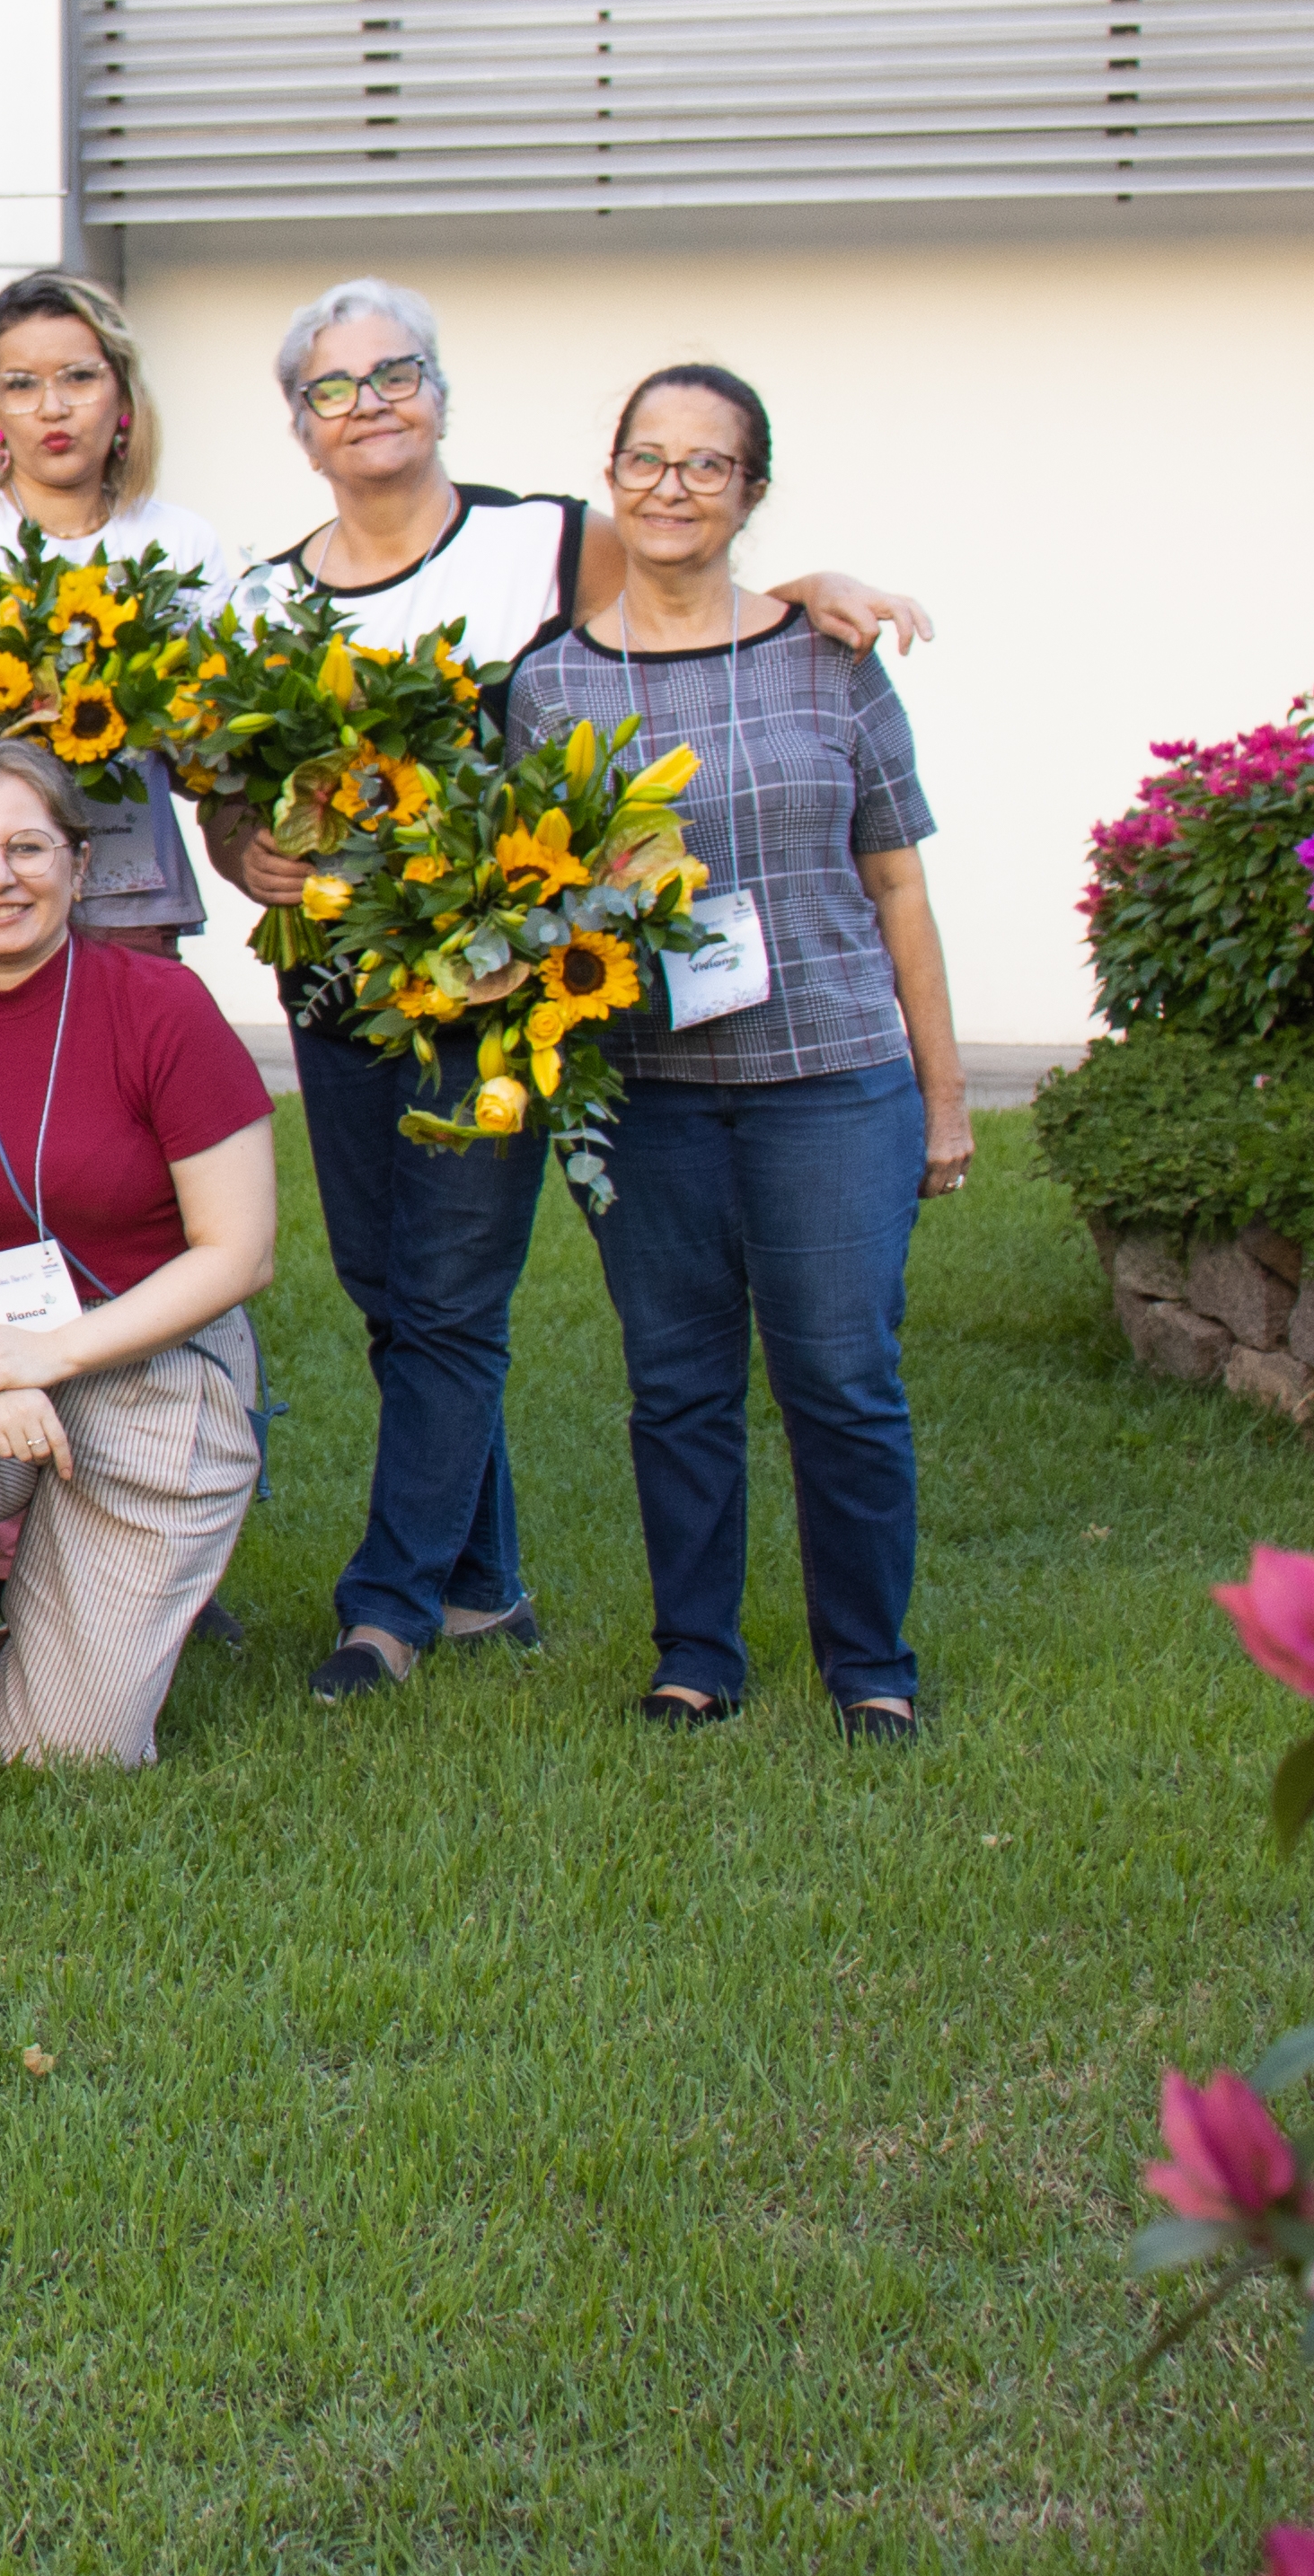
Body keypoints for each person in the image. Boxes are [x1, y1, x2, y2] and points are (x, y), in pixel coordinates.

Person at [198, 280, 932, 1710]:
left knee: (454, 1292)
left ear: (441, 394)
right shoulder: (262, 598)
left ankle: (389, 1608)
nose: (372, 404)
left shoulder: (545, 540)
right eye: (336, 388)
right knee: (388, 1294)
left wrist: (814, 589)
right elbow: (231, 802)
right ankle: (485, 1583)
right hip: (350, 991)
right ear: (300, 428)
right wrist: (248, 856)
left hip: (505, 1004)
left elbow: (691, 593)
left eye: (397, 373)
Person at [507, 365, 966, 1742]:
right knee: (679, 1386)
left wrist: (945, 1102)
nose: (673, 487)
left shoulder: (831, 658)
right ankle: (696, 1653)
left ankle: (870, 1662)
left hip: (832, 1084)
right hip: (648, 1101)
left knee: (839, 1376)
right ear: (611, 475)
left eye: (708, 466)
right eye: (649, 460)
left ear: (751, 492)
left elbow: (900, 890)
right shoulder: (553, 682)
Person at [0, 737, 282, 1784]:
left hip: (151, 1348)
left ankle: (45, 1613)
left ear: (81, 865)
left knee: (67, 1753)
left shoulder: (164, 1009)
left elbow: (240, 1251)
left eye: (28, 848)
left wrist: (55, 1357)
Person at [0, 274, 238, 992]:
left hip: (124, 896)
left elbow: (212, 757)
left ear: (123, 396)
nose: (53, 407)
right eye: (23, 384)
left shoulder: (181, 545)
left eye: (79, 377)